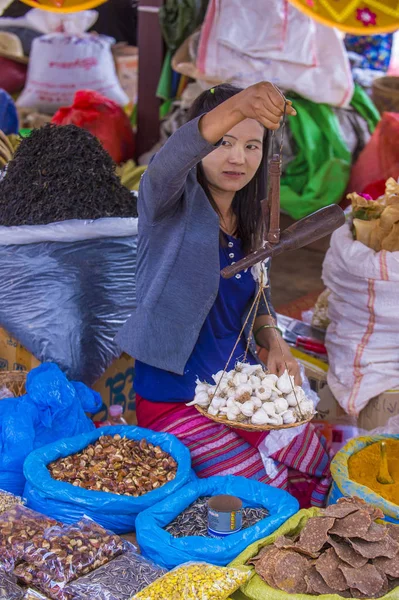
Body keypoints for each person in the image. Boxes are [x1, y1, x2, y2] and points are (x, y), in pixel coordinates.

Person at [116, 82, 330, 507]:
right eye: (225, 142)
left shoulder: (249, 219)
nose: (238, 157)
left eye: (253, 146)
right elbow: (169, 159)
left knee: (316, 464)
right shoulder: (167, 205)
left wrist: (274, 341)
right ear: (202, 144)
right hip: (175, 397)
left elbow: (258, 294)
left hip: (239, 390)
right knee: (260, 497)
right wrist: (238, 106)